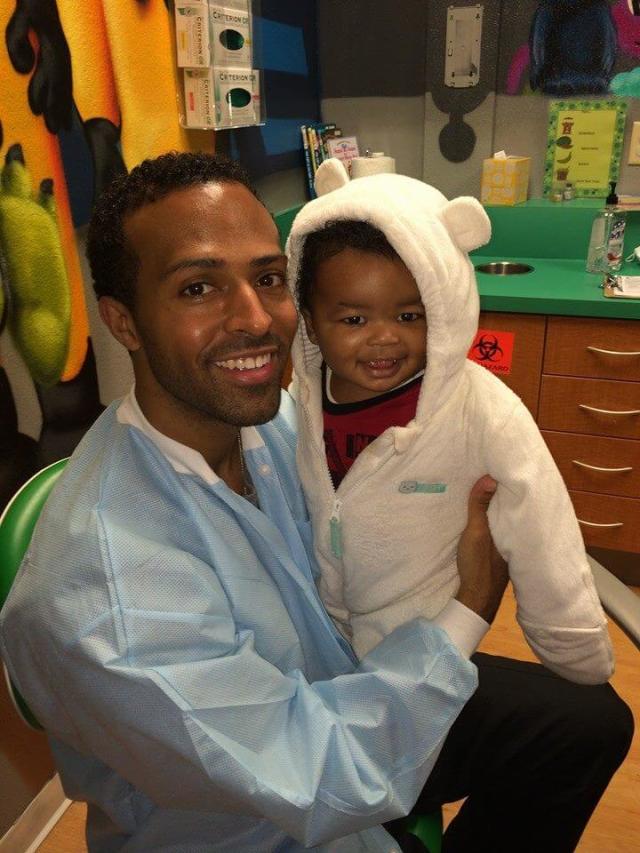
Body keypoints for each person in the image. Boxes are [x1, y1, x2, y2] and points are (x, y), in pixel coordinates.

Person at [0, 152, 632, 853]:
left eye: (269, 278)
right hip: (251, 814)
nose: (256, 319)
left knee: (584, 721)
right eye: (198, 287)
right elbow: (316, 773)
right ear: (124, 322)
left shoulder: (270, 422)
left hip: (338, 688)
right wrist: (470, 603)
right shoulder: (107, 596)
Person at [286, 161, 613, 687]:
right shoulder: (300, 400)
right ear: (309, 319)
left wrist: (568, 637)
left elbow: (541, 524)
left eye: (409, 316)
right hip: (318, 634)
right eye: (353, 319)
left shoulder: (480, 410)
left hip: (422, 635)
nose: (384, 338)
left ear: (443, 307)